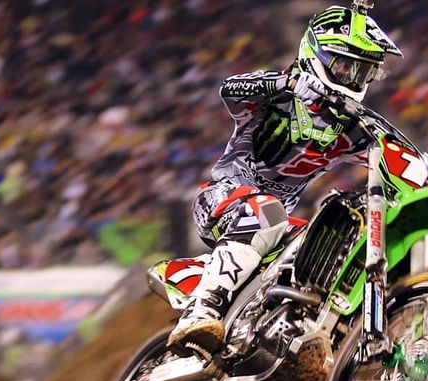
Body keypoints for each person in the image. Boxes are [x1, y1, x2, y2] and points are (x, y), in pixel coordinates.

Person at [167, 3, 407, 359]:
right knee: (267, 210)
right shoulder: (279, 94)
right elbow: (231, 89)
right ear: (317, 54)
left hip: (277, 225)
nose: (353, 77)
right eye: (345, 65)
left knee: (332, 242)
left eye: (363, 71)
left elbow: (398, 151)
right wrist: (287, 82)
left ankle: (296, 341)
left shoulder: (352, 126)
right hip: (222, 199)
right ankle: (200, 310)